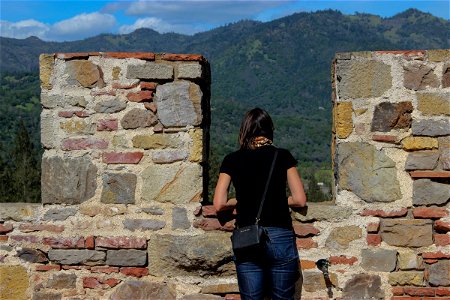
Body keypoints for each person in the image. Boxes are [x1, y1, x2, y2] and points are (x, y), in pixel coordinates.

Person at [213, 107, 307, 300]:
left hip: (247, 236)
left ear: (244, 130)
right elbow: (299, 200)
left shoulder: (232, 159)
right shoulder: (282, 156)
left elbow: (219, 204)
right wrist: (281, 199)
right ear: (270, 130)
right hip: (280, 235)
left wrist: (239, 200)